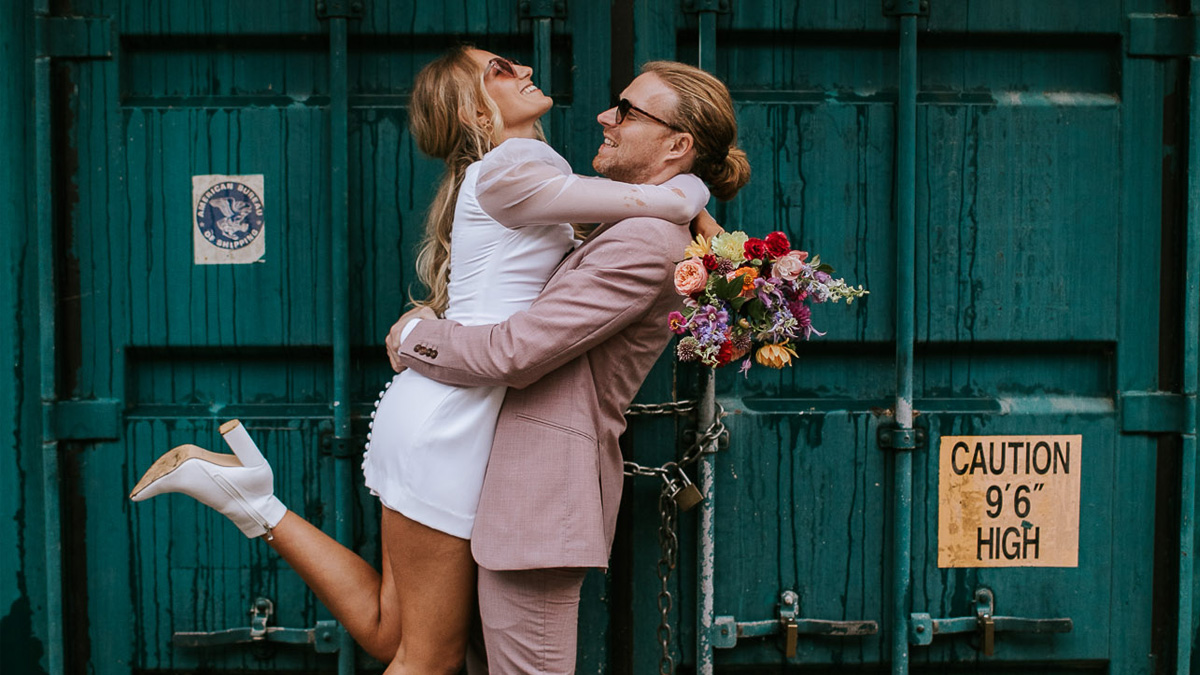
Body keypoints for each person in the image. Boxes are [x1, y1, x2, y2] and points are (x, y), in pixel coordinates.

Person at [128, 47, 714, 673]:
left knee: (392, 636)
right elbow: (657, 208)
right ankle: (250, 499)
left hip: (440, 408)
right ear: (475, 105)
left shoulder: (507, 172)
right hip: (454, 417)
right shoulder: (521, 161)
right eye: (498, 69)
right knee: (427, 659)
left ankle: (252, 500)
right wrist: (696, 192)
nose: (519, 69)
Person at [385, 60, 750, 674]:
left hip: (536, 498)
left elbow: (514, 353)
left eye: (628, 111)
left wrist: (416, 338)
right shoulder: (634, 227)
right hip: (498, 485)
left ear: (677, 145)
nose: (606, 117)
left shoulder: (643, 243)